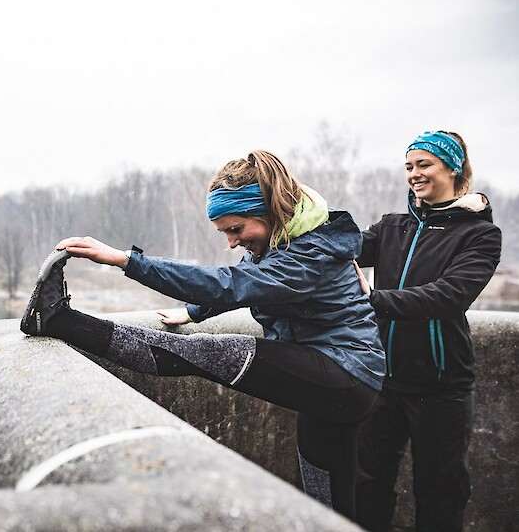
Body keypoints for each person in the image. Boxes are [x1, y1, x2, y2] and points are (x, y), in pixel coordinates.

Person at [21, 149, 385, 522]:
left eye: (235, 229)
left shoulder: (308, 254)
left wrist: (125, 260)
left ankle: (59, 321)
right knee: (329, 501)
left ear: (267, 212)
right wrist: (193, 312)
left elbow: (230, 285)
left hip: (344, 374)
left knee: (203, 353)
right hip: (340, 382)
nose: (230, 242)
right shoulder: (288, 240)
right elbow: (248, 284)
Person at [353, 131, 502, 532]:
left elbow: (448, 296)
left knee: (441, 492)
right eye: (408, 167)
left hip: (441, 388)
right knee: (366, 484)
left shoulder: (480, 235)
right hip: (381, 379)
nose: (414, 175)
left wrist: (375, 300)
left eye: (424, 165)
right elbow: (341, 251)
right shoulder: (391, 226)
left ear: (452, 168)